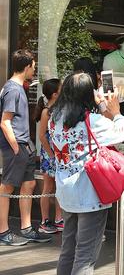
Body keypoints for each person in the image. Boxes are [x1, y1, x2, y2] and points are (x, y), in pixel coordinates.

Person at [49, 72, 124, 274]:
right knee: (85, 256)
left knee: (68, 250)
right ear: (89, 94)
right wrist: (115, 112)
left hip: (65, 192)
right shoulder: (92, 121)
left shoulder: (55, 117)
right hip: (89, 195)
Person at [0, 49, 52, 246]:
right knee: (7, 186)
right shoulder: (13, 89)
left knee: (29, 184)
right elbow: (5, 121)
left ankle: (27, 228)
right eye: (33, 66)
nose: (34, 70)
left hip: (24, 145)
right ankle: (3, 231)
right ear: (27, 66)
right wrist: (15, 147)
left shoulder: (17, 87)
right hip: (17, 145)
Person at [35, 78, 64, 234]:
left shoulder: (60, 109)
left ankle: (59, 219)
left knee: (59, 186)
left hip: (59, 153)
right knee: (48, 186)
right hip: (49, 153)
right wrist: (51, 155)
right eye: (61, 89)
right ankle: (44, 220)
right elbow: (41, 136)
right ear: (54, 94)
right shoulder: (47, 111)